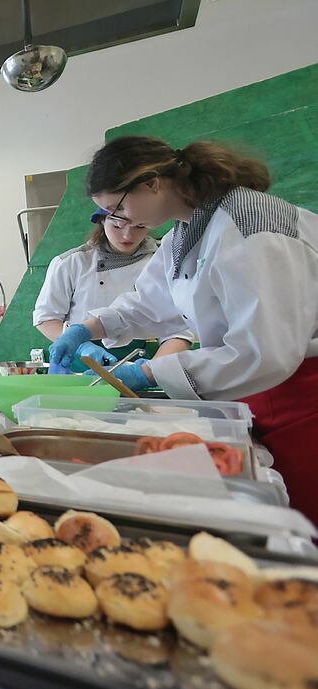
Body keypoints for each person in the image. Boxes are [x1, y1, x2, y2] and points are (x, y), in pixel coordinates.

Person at [48, 136, 318, 522]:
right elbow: (147, 302)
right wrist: (87, 328)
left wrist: (149, 372)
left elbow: (264, 349)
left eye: (119, 207)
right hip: (259, 387)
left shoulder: (249, 223)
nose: (121, 222)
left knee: (305, 520)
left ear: (152, 183)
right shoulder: (185, 232)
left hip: (304, 395)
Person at [34, 208, 193, 371]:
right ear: (102, 220)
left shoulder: (163, 260)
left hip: (139, 359)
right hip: (78, 361)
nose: (127, 236)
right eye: (117, 226)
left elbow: (178, 330)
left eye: (139, 226)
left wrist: (148, 372)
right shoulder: (72, 262)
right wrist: (81, 345)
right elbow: (46, 317)